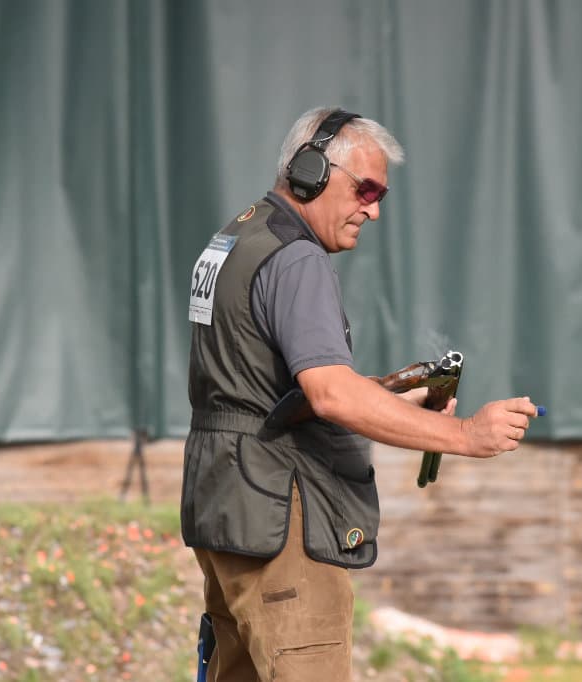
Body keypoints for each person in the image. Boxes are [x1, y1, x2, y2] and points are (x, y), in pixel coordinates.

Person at [182, 107, 539, 681]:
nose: (373, 210)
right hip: (279, 518)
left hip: (228, 505)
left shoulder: (237, 236)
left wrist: (391, 397)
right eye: (366, 190)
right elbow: (330, 395)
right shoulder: (296, 258)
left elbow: (259, 393)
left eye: (380, 196)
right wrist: (466, 435)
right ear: (311, 171)